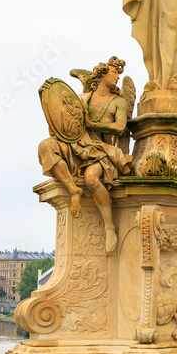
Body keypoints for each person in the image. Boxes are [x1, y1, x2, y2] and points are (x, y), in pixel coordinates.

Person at [37, 57, 132, 253]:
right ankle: (73, 190)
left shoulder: (119, 102)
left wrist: (92, 124)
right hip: (77, 144)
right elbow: (60, 119)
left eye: (118, 74)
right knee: (45, 147)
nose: (117, 77)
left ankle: (109, 226)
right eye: (114, 73)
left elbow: (120, 127)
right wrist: (45, 95)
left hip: (101, 150)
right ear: (102, 74)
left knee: (91, 178)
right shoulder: (82, 99)